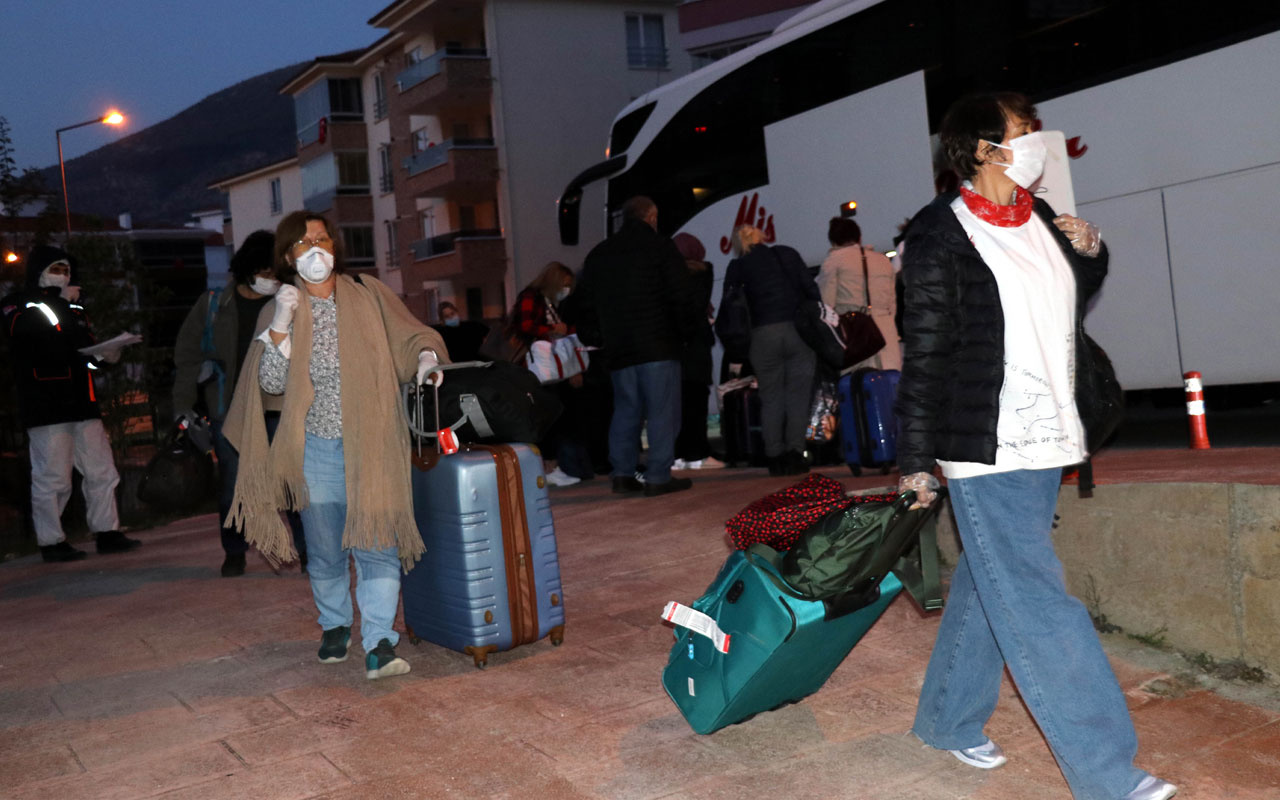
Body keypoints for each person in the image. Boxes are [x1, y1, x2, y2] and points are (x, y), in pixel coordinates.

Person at [895, 92, 1175, 800]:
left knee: (991, 581)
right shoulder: (938, 237)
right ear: (983, 149)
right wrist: (914, 463)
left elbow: (1063, 307)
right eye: (1024, 133)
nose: (1038, 144)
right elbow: (925, 357)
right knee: (1038, 602)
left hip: (1053, 432)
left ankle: (947, 721)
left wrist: (1090, 253)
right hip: (988, 446)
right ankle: (1107, 773)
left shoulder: (1040, 217)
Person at [222, 210, 448, 680]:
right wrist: (281, 324)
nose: (316, 250)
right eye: (304, 244)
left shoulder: (367, 292)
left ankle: (380, 642)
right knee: (326, 551)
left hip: (374, 445)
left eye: (322, 239)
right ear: (288, 255)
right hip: (315, 450)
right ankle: (335, 625)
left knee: (378, 544)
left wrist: (426, 356)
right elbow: (268, 384)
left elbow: (410, 336)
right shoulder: (278, 306)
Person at [172, 230, 306, 577]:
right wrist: (183, 407)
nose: (272, 280)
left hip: (278, 405)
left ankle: (308, 550)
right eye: (267, 272)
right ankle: (234, 550)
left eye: (278, 273)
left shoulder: (287, 300)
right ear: (248, 269)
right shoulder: (216, 304)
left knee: (290, 482)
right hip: (229, 406)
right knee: (232, 484)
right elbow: (187, 356)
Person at [0, 245, 140, 561]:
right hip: (46, 407)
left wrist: (106, 356)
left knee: (102, 471)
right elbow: (26, 333)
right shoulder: (17, 304)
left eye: (66, 270)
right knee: (53, 478)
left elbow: (82, 354)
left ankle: (107, 532)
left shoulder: (74, 309)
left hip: (83, 404)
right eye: (56, 268)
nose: (63, 275)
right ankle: (51, 543)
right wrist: (62, 304)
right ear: (38, 270)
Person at [577, 196, 699, 497]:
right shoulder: (661, 248)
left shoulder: (600, 253)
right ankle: (657, 475)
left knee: (626, 411)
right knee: (662, 411)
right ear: (652, 217)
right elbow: (681, 295)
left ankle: (622, 474)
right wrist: (685, 334)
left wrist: (596, 335)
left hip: (619, 348)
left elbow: (582, 303)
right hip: (658, 344)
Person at [722, 225, 819, 476]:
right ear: (761, 237)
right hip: (796, 331)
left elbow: (732, 308)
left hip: (762, 336)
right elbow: (811, 290)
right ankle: (795, 454)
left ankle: (775, 457)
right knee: (798, 396)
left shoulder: (738, 267)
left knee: (771, 397)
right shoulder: (785, 254)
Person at [506, 261, 588, 486]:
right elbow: (524, 326)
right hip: (535, 368)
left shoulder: (551, 303)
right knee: (547, 418)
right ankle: (550, 465)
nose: (567, 290)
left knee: (557, 417)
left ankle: (558, 465)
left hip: (549, 369)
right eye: (565, 285)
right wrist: (551, 330)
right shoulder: (532, 297)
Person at [816, 216, 901, 370]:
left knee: (859, 385)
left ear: (833, 242)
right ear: (859, 237)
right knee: (889, 383)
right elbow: (892, 304)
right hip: (885, 332)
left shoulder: (833, 261)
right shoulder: (883, 261)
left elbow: (827, 303)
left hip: (853, 333)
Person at [670, 233, 723, 471]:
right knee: (697, 403)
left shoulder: (667, 277)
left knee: (678, 405)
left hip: (674, 351)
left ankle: (679, 454)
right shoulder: (701, 274)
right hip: (696, 350)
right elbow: (697, 311)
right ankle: (698, 453)